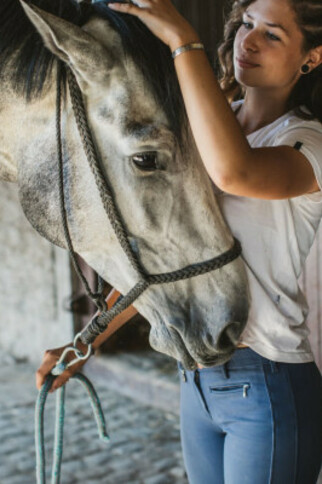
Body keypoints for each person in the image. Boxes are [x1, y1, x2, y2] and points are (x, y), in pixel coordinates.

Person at [37, 0, 322, 482]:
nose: (247, 41)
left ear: (311, 58)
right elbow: (166, 261)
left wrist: (180, 40)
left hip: (268, 380)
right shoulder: (196, 135)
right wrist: (86, 342)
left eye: (272, 35)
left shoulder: (307, 141)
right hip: (195, 376)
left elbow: (235, 171)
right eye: (246, 25)